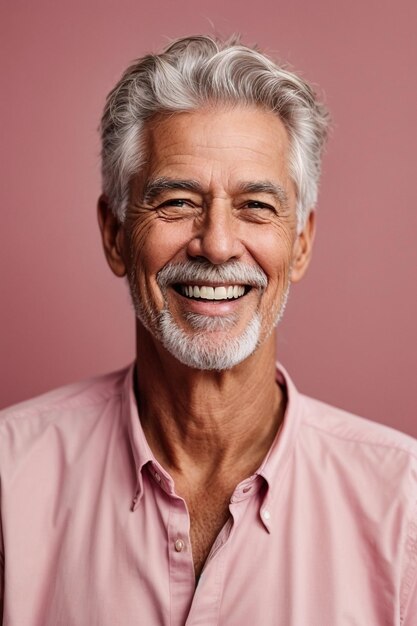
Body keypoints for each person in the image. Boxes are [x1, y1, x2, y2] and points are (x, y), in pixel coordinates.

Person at [0, 34, 416, 626]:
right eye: (176, 201)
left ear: (300, 243)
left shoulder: (405, 506)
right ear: (116, 234)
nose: (217, 244)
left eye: (256, 206)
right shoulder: (8, 481)